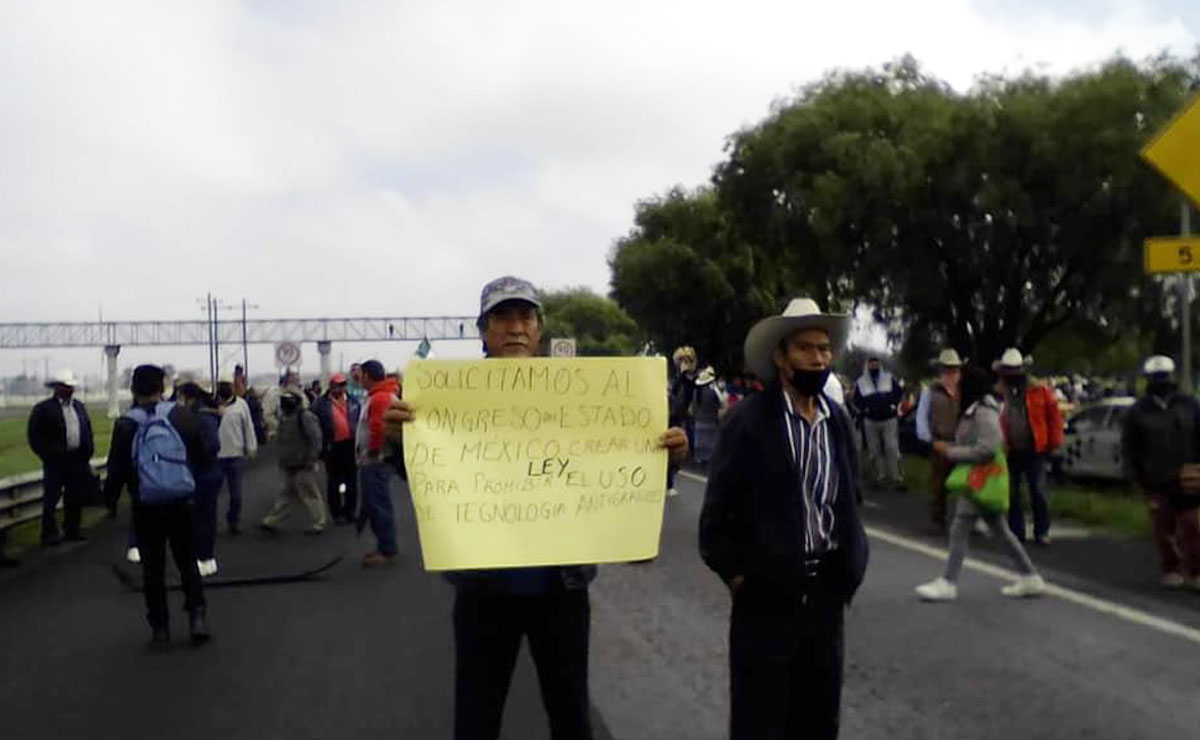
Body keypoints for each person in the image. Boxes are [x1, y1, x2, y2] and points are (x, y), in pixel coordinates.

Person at [383, 275, 688, 740]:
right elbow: (427, 477)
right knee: (476, 718)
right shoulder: (447, 395)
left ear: (540, 329)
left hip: (560, 592)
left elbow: (611, 458)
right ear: (483, 330)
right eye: (503, 317)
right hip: (484, 592)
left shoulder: (576, 394)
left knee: (571, 718)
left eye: (525, 316)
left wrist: (665, 456)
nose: (516, 328)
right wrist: (401, 441)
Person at [700, 297, 868, 740]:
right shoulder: (748, 423)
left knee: (817, 721)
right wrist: (744, 579)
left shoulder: (837, 424)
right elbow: (716, 520)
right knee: (762, 723)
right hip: (766, 606)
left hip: (825, 603)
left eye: (824, 350)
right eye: (806, 349)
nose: (818, 359)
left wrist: (851, 566)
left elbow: (850, 499)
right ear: (781, 357)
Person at [103, 365, 216, 648]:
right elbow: (204, 454)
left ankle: (160, 628)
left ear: (133, 390)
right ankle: (197, 617)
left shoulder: (126, 424)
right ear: (162, 388)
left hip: (146, 505)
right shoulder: (181, 416)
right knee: (187, 562)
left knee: (153, 569)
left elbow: (116, 469)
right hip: (181, 502)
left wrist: (110, 502)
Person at [913, 365, 1046, 601]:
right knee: (999, 531)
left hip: (981, 478)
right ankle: (1029, 576)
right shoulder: (979, 408)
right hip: (980, 478)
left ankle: (948, 582)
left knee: (960, 527)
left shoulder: (984, 412)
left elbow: (988, 448)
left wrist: (952, 452)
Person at [1121, 355, 1200, 589]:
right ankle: (1171, 568)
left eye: (1164, 376)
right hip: (1154, 479)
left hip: (1189, 477)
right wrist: (1136, 479)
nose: (1161, 381)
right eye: (1156, 377)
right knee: (1163, 530)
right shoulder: (1138, 411)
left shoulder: (1189, 405)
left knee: (1193, 527)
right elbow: (1130, 448)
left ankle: (1196, 571)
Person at [995, 349, 1062, 546]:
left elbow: (1054, 418)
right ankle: (1016, 532)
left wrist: (1054, 443)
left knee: (1038, 491)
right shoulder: (998, 392)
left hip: (1036, 449)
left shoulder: (1039, 390)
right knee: (1012, 494)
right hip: (1009, 450)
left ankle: (1042, 531)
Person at [27, 370, 95, 545]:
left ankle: (72, 529)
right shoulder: (43, 409)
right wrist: (48, 455)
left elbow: (86, 429)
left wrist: (87, 452)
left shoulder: (79, 406)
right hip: (55, 460)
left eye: (71, 387)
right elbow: (34, 435)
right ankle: (48, 533)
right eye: (65, 387)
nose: (69, 390)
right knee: (51, 497)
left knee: (74, 496)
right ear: (57, 389)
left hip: (76, 459)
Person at [175, 378, 224, 577]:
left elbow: (211, 446)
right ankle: (203, 558)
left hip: (203, 474)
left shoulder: (201, 417)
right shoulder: (204, 415)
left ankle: (204, 558)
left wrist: (194, 453)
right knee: (202, 518)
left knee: (202, 519)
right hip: (205, 473)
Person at [260, 390, 327, 535]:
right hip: (288, 462)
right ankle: (271, 520)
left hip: (303, 463)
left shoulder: (305, 417)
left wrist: (311, 459)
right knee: (286, 493)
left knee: (310, 494)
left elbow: (316, 440)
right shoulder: (285, 417)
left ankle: (319, 522)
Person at [356, 360, 401, 565]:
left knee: (379, 505)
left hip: (375, 461)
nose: (358, 378)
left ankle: (386, 549)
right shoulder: (379, 395)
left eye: (360, 374)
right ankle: (384, 546)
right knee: (373, 504)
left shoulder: (380, 397)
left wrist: (373, 451)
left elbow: (378, 427)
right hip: (373, 460)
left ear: (367, 375)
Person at [915, 349, 963, 535]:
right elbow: (921, 418)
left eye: (954, 370)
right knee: (938, 485)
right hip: (939, 443)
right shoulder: (930, 390)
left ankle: (964, 523)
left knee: (965, 485)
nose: (951, 374)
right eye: (947, 370)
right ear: (941, 371)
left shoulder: (964, 391)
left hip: (961, 443)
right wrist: (930, 441)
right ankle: (938, 521)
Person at [312, 372, 361, 524]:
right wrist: (319, 449)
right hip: (332, 446)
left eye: (343, 384)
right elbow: (314, 426)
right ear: (331, 386)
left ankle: (349, 512)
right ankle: (337, 513)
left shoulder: (353, 401)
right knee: (334, 481)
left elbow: (359, 420)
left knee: (351, 481)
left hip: (350, 444)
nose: (341, 388)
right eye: (337, 385)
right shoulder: (320, 404)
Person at [852, 357, 905, 490]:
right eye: (871, 365)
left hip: (888, 418)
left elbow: (899, 392)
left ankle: (896, 476)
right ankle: (880, 475)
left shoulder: (888, 378)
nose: (874, 367)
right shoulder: (861, 382)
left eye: (876, 365)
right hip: (870, 420)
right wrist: (864, 409)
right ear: (868, 366)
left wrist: (892, 403)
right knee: (874, 449)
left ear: (880, 365)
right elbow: (856, 400)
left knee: (891, 447)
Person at [215, 374, 257, 535]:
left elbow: (248, 427)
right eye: (221, 385)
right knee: (213, 494)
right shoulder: (211, 405)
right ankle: (211, 522)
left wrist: (251, 446)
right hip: (215, 456)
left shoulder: (241, 405)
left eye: (227, 385)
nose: (224, 388)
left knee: (236, 494)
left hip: (235, 454)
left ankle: (233, 521)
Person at [692, 366, 724, 465]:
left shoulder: (696, 392)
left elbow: (694, 406)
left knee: (700, 441)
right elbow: (721, 402)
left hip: (699, 420)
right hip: (711, 420)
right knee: (710, 440)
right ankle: (709, 459)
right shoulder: (713, 391)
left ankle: (700, 459)